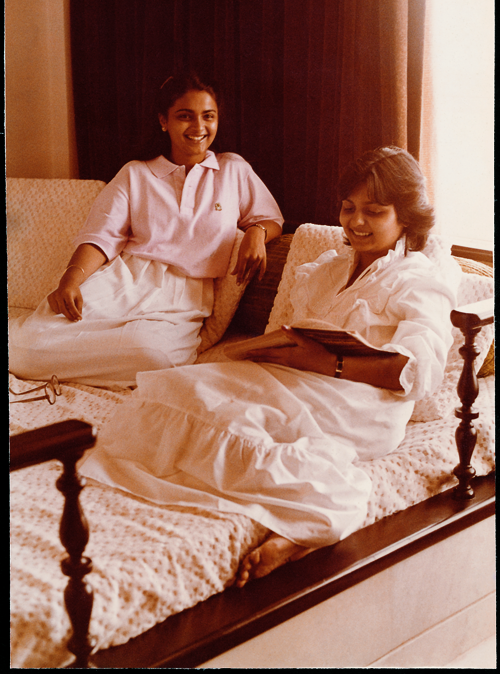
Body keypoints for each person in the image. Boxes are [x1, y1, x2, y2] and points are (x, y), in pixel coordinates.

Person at [79, 146, 462, 586]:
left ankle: (312, 522)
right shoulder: (329, 269)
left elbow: (419, 373)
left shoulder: (418, 279)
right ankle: (282, 512)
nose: (356, 222)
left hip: (361, 404)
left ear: (406, 218)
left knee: (232, 421)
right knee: (172, 389)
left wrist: (329, 362)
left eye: (374, 212)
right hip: (299, 379)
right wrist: (273, 350)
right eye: (348, 207)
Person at [9, 72, 283, 388]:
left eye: (208, 116)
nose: (198, 127)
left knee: (158, 358)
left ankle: (72, 365)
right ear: (163, 121)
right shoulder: (136, 173)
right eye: (185, 116)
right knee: (24, 345)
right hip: (123, 281)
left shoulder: (233, 169)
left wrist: (256, 233)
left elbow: (270, 217)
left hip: (183, 297)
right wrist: (70, 280)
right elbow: (101, 236)